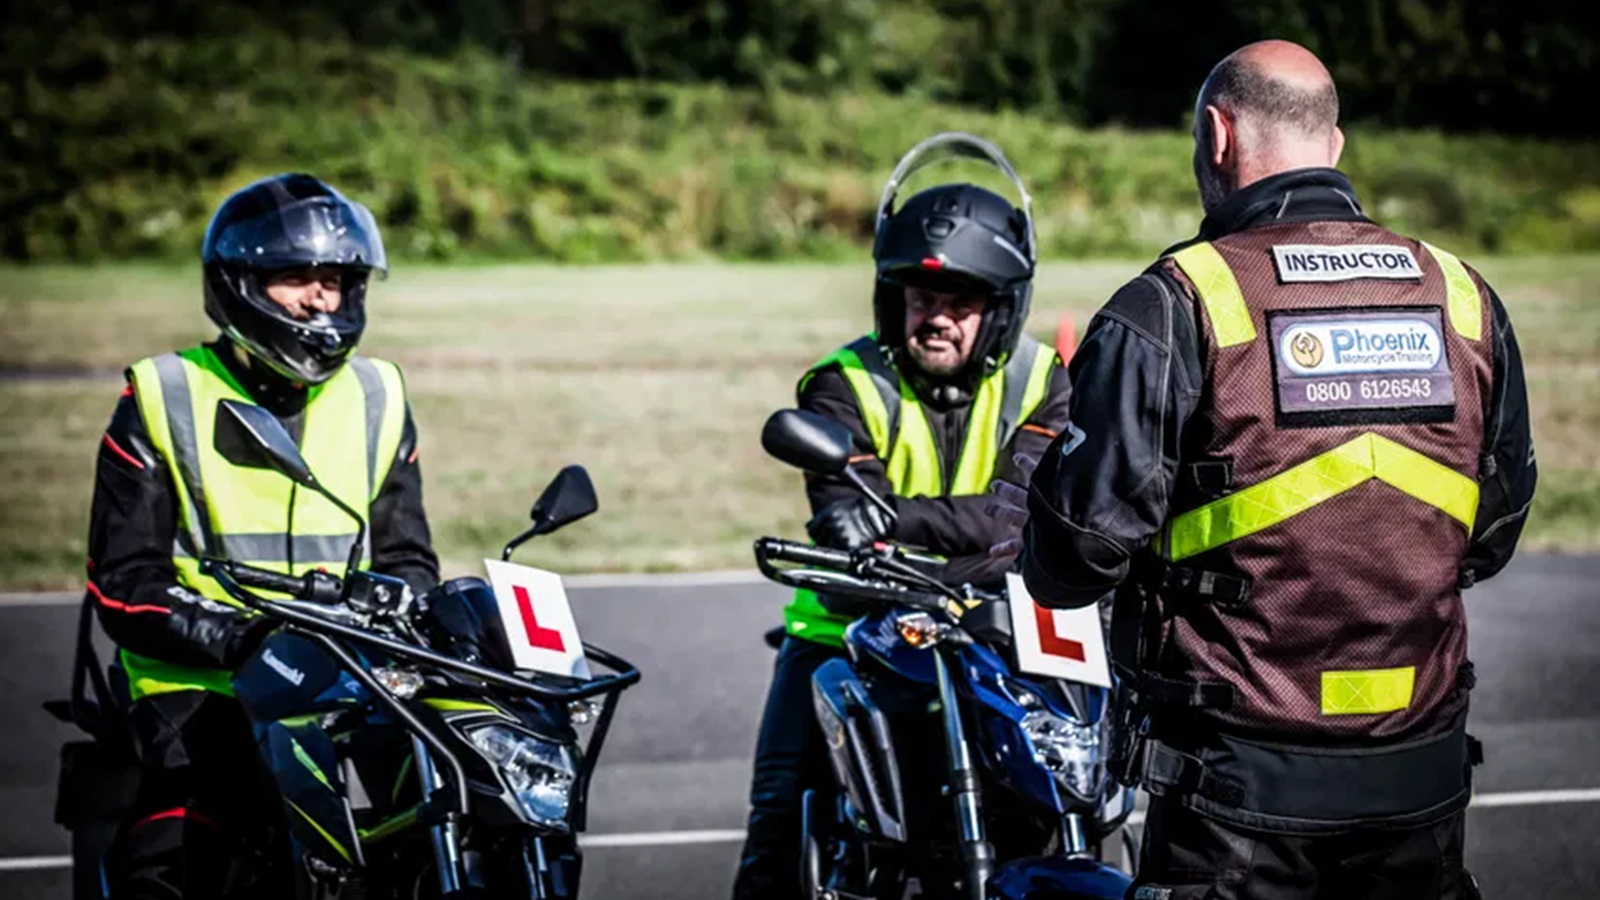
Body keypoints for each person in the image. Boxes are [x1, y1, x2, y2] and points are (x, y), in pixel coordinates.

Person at [1000, 41, 1534, 899]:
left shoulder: (1177, 303)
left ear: (1217, 136)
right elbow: (1493, 533)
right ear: (1336, 145)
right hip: (1422, 783)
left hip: (1236, 799)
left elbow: (1072, 563)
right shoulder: (1462, 296)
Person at [731, 132, 1074, 900]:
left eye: (961, 303)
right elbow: (843, 517)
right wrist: (960, 540)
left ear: (1000, 308)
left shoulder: (1044, 382)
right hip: (848, 633)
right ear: (894, 298)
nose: (939, 320)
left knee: (1062, 809)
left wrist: (904, 526)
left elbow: (1018, 519)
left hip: (1003, 634)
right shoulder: (841, 385)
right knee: (777, 833)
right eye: (923, 299)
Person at [87, 173, 439, 899]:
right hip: (200, 680)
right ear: (239, 284)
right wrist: (241, 639)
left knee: (441, 824)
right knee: (173, 861)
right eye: (294, 277)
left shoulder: (378, 396)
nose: (319, 298)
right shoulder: (164, 393)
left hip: (352, 679)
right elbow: (123, 585)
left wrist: (405, 616)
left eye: (335, 279)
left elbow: (409, 558)